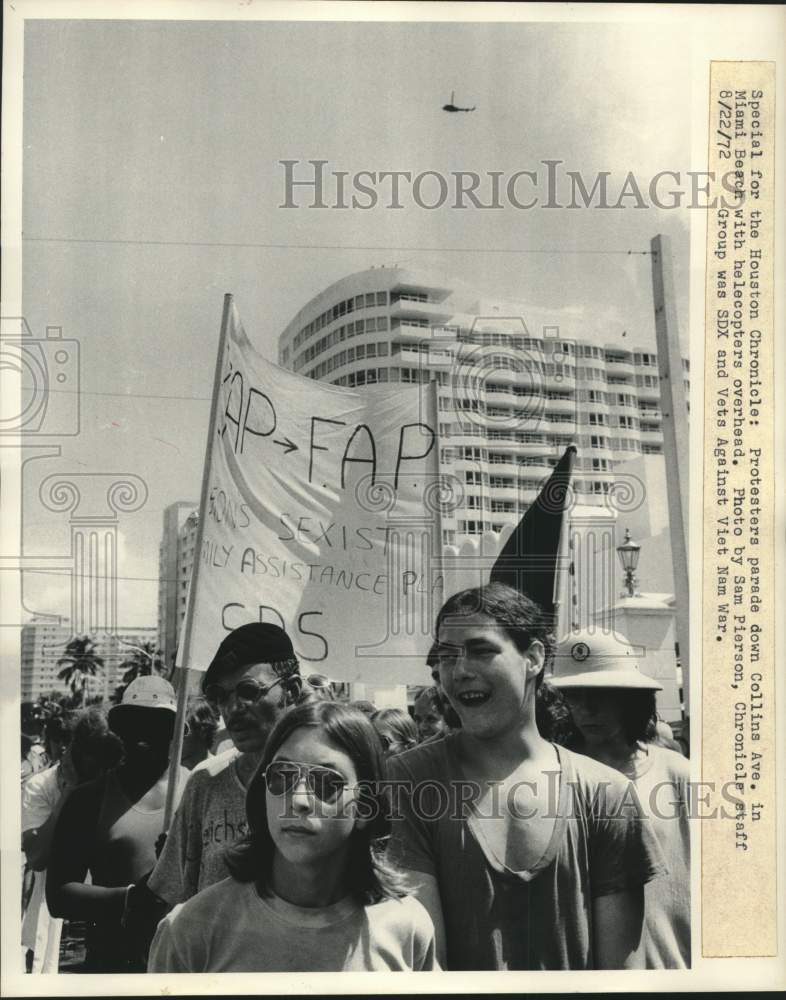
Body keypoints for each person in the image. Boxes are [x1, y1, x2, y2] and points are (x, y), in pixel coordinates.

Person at [386, 582, 667, 971]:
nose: (460, 670)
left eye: (482, 651)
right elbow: (423, 960)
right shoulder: (406, 781)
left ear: (533, 658)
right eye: (447, 656)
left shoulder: (607, 793)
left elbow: (621, 973)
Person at [148, 701, 437, 972]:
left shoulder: (407, 927)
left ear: (364, 807)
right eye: (281, 776)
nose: (298, 799)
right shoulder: (191, 930)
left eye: (326, 781)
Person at [548, 629, 691, 969]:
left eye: (600, 692)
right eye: (574, 695)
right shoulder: (551, 775)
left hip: (674, 968)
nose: (587, 708)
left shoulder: (679, 774)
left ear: (630, 696)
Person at [146, 623, 303, 908]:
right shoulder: (206, 782)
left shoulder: (325, 786)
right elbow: (175, 896)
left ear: (291, 690)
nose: (232, 709)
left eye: (247, 691)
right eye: (221, 696)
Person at [46, 676, 188, 972]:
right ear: (119, 730)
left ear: (174, 731)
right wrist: (131, 899)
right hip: (113, 963)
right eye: (134, 722)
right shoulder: (89, 799)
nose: (143, 735)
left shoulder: (198, 789)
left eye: (157, 724)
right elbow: (59, 895)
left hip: (188, 961)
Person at [21, 709, 123, 973]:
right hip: (54, 921)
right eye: (61, 741)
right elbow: (36, 859)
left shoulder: (113, 784)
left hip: (94, 928)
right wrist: (69, 795)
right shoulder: (40, 787)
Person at [180, 696, 220, 770]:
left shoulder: (220, 770)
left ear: (202, 731)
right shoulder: (171, 776)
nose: (173, 742)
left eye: (182, 733)